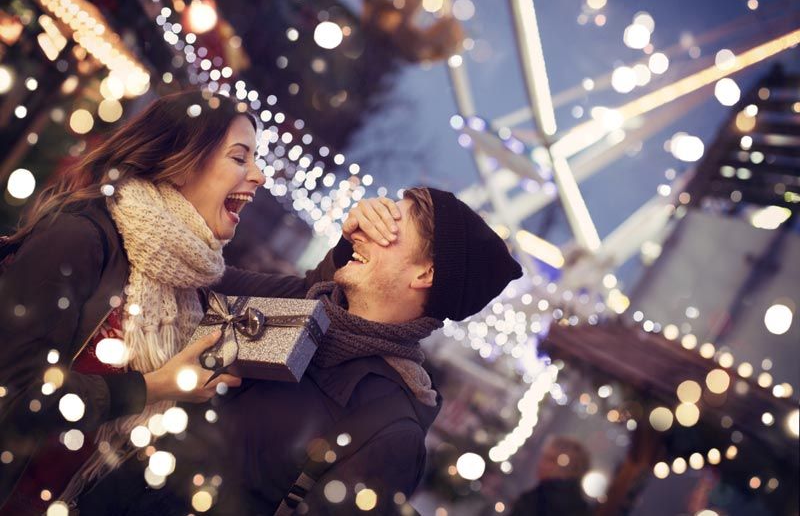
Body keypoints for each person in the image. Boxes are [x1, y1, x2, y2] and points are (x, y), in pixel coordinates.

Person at [0, 90, 395, 513]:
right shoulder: (80, 238)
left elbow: (303, 292)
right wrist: (154, 387)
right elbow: (13, 396)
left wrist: (352, 240)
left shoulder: (192, 280)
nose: (259, 175)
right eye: (239, 157)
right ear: (184, 158)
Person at [78, 186, 524, 515]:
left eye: (391, 226)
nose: (364, 230)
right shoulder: (297, 307)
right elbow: (184, 274)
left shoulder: (392, 429)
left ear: (425, 272)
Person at [508, 436, 593, 516]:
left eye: (550, 460)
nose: (541, 463)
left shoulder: (534, 501)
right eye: (544, 457)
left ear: (569, 468)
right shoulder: (583, 509)